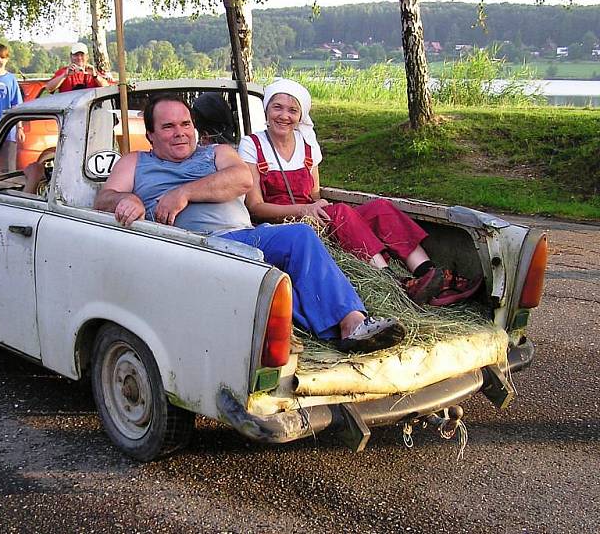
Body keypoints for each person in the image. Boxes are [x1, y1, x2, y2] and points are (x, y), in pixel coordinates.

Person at [94, 93, 406, 353]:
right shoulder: (136, 163)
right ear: (150, 135)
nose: (180, 132)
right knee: (278, 265)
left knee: (298, 239)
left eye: (186, 124)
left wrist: (184, 193)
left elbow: (242, 179)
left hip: (246, 236)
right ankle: (324, 329)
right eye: (168, 126)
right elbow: (104, 198)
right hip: (193, 247)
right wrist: (127, 200)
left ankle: (351, 324)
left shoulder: (216, 153)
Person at [238, 78, 481, 306]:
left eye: (292, 110)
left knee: (380, 208)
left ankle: (428, 273)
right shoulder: (252, 144)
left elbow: (314, 194)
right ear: (266, 110)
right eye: (277, 107)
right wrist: (306, 210)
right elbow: (256, 207)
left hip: (314, 218)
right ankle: (391, 281)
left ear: (301, 115)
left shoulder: (307, 144)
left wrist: (316, 207)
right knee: (341, 211)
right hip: (283, 225)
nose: (284, 116)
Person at [45, 42, 111, 94]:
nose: (79, 58)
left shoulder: (93, 72)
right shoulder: (64, 71)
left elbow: (107, 88)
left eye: (82, 55)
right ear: (71, 56)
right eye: (76, 55)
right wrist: (64, 75)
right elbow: (49, 88)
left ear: (87, 57)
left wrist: (95, 76)